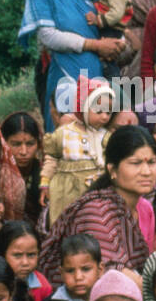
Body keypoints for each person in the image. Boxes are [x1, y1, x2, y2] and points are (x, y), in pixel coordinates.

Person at [18, 0, 117, 130]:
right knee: (68, 127)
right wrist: (95, 45)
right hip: (66, 67)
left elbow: (105, 12)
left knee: (98, 126)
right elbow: (48, 36)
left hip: (95, 65)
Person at [38, 125, 156, 281]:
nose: (146, 171)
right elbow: (111, 273)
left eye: (152, 162)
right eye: (135, 163)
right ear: (112, 170)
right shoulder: (96, 211)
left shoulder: (144, 208)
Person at [41, 78, 114, 223]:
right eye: (99, 111)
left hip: (96, 190)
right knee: (65, 224)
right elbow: (52, 158)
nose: (105, 116)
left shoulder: (105, 137)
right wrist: (45, 182)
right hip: (66, 191)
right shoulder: (65, 133)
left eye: (108, 112)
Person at [85, 0, 132, 79]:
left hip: (112, 30)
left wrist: (98, 20)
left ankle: (113, 81)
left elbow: (116, 14)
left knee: (108, 57)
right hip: (106, 29)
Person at [0, 219, 52, 301]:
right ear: (2, 254)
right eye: (17, 255)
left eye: (31, 255)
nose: (25, 263)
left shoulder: (43, 287)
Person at [1, 111, 44, 226]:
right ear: (4, 144)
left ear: (39, 144)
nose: (24, 152)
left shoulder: (45, 175)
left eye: (30, 144)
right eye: (16, 144)